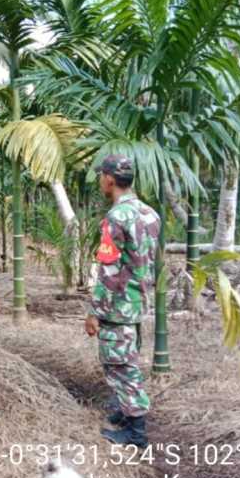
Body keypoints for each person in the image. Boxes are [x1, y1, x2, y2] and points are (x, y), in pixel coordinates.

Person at [85, 154, 160, 447]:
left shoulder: (116, 218)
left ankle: (136, 432)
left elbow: (109, 270)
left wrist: (94, 311)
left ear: (109, 179)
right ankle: (127, 414)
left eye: (101, 176)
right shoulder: (150, 213)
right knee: (127, 358)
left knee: (119, 365)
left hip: (117, 304)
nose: (100, 181)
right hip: (137, 299)